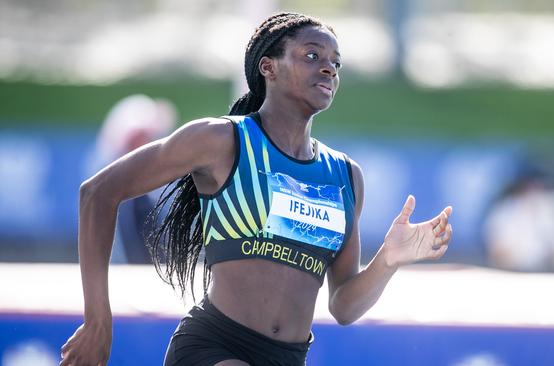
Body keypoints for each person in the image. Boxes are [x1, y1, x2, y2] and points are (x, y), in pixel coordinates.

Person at [60, 12, 453, 366]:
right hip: (214, 347)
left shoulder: (345, 176)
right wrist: (97, 320)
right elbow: (97, 193)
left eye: (336, 63)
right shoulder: (221, 141)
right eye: (312, 56)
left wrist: (389, 259)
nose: (329, 69)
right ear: (269, 67)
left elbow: (344, 306)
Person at [86, 94, 177, 263]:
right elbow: (134, 150)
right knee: (126, 226)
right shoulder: (142, 121)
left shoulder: (141, 111)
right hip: (111, 172)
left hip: (112, 171)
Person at [483, 162, 554, 272]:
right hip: (516, 275)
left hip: (550, 274)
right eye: (530, 186)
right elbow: (499, 256)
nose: (534, 191)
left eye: (540, 186)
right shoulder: (503, 212)